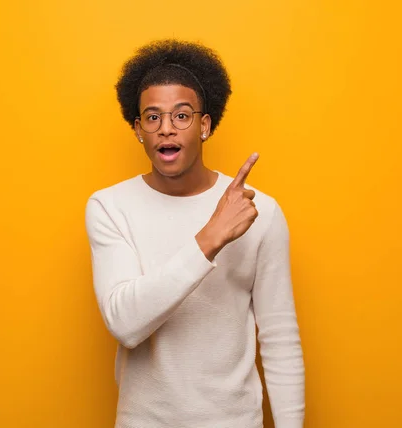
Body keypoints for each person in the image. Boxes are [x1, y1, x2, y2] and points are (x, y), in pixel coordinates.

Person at [84, 39, 305, 428]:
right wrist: (210, 237)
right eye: (152, 118)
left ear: (204, 125)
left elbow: (280, 339)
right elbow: (125, 323)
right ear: (138, 129)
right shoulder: (109, 207)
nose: (166, 129)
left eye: (181, 116)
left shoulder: (259, 212)